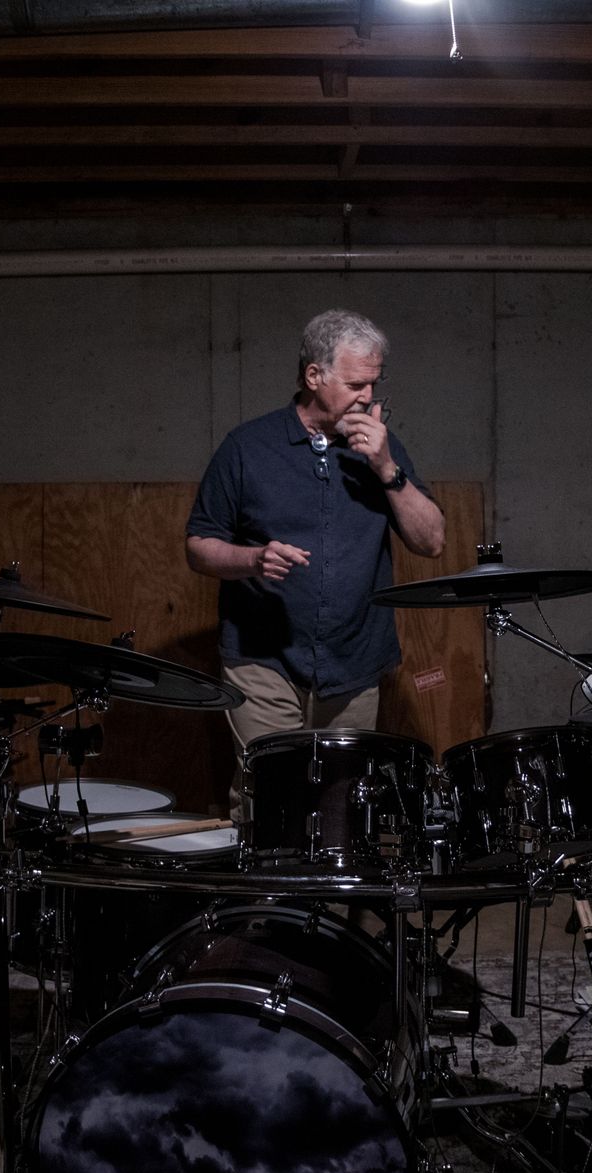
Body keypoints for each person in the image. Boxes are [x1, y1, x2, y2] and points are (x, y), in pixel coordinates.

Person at [185, 308, 446, 816]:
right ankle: (271, 900)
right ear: (313, 376)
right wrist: (253, 559)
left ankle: (329, 900)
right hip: (264, 658)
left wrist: (386, 468)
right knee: (272, 798)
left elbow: (431, 540)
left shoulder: (381, 449)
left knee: (342, 806)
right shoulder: (247, 448)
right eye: (354, 383)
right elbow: (198, 546)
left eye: (374, 384)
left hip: (353, 662)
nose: (367, 397)